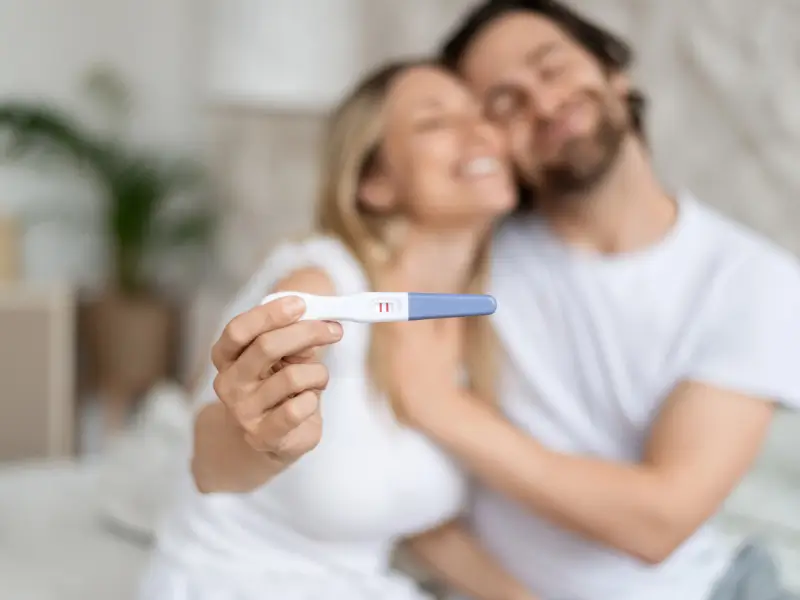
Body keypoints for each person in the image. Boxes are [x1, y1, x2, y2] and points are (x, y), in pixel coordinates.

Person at [201, 1, 800, 600]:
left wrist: (440, 406)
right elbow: (389, 484)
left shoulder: (754, 281)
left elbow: (659, 523)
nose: (543, 102)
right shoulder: (467, 256)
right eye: (504, 103)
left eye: (553, 67)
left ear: (615, 74)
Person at [137, 58, 537, 600]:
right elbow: (209, 462)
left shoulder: (475, 327)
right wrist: (262, 438)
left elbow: (416, 524)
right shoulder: (321, 287)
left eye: (482, 115)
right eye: (435, 122)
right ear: (375, 183)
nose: (481, 132)